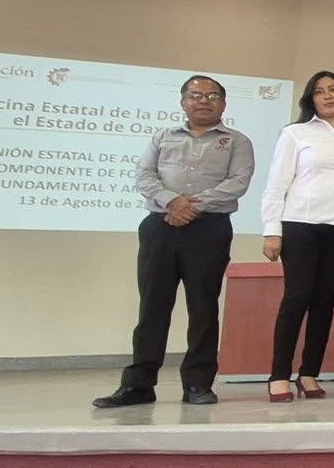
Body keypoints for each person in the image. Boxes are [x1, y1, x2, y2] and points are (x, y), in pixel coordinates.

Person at [95, 75, 254, 408]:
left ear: (223, 103)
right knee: (152, 308)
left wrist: (190, 206)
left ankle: (197, 384)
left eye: (212, 95)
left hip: (209, 229)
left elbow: (238, 183)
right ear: (183, 102)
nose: (203, 101)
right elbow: (144, 175)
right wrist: (171, 201)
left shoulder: (237, 141)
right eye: (195, 95)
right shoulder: (163, 136)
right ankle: (138, 385)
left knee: (203, 309)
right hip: (160, 227)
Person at [259, 71, 334, 402]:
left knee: (324, 301)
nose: (328, 96)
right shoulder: (296, 133)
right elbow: (276, 184)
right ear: (312, 99)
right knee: (297, 297)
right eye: (320, 92)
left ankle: (309, 373)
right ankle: (279, 375)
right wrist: (271, 230)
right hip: (300, 225)